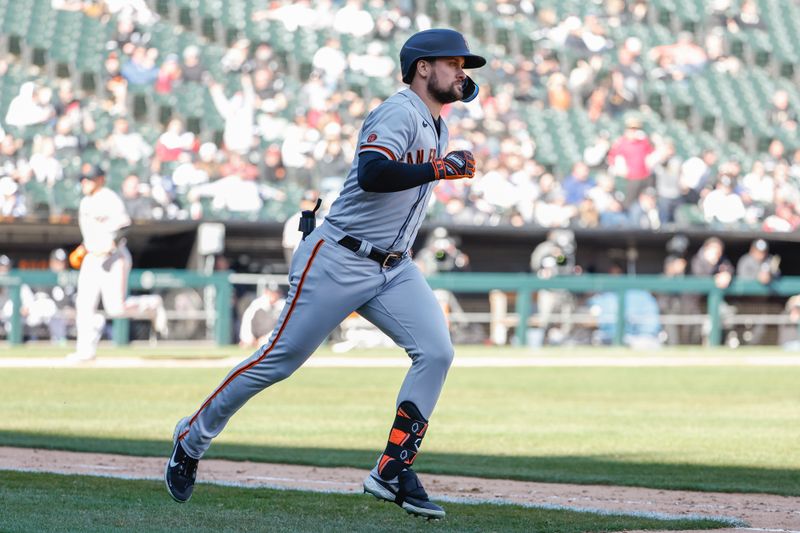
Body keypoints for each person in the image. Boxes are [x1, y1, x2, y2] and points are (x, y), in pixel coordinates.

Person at [165, 28, 486, 520]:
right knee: (279, 360)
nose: (463, 73)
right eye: (454, 63)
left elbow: (447, 116)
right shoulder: (399, 111)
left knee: (437, 352)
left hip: (393, 267)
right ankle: (192, 435)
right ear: (423, 68)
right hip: (339, 257)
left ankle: (392, 470)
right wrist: (439, 169)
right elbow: (375, 172)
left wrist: (443, 149)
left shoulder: (435, 121)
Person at [66, 164, 168, 362]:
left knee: (116, 308)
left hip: (114, 257)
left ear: (101, 179)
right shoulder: (85, 202)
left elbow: (125, 226)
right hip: (92, 257)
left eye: (90, 178)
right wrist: (84, 247)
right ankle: (85, 351)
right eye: (83, 179)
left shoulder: (109, 198)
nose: (85, 182)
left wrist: (110, 246)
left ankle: (151, 304)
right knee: (84, 304)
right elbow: (92, 233)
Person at [736, 239, 780, 345]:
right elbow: (742, 277)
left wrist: (770, 276)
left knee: (760, 329)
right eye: (758, 251)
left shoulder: (769, 260)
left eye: (763, 252)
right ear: (752, 250)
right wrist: (757, 277)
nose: (761, 254)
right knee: (742, 328)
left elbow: (777, 274)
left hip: (762, 303)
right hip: (745, 303)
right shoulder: (745, 260)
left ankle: (753, 348)